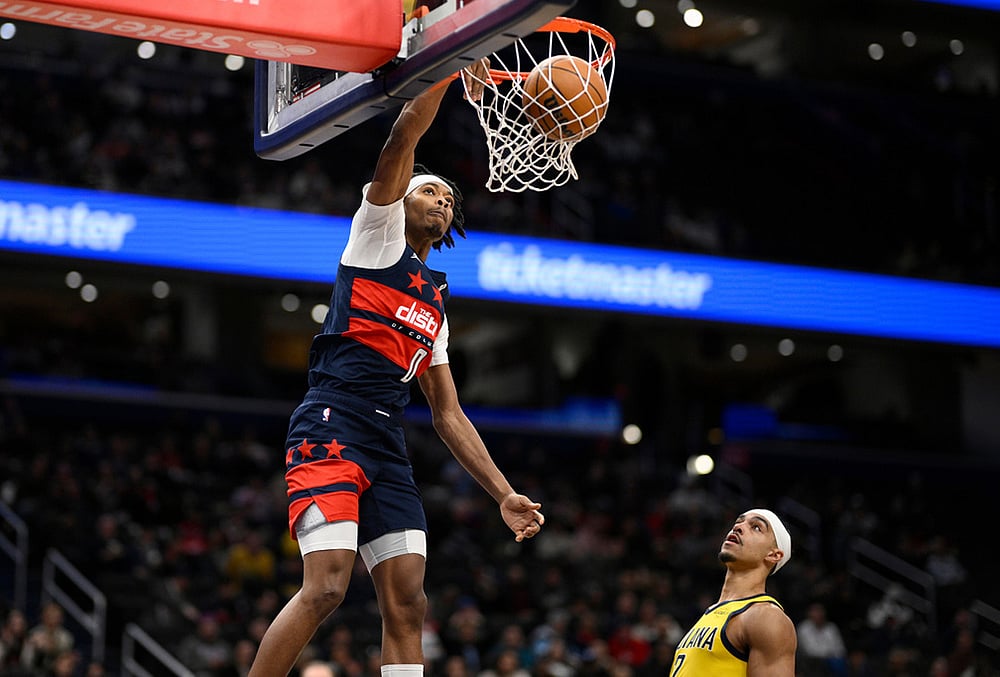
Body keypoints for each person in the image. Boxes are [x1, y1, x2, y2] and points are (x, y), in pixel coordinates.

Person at [247, 61, 545, 677]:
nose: (441, 199)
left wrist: (503, 494)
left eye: (449, 197)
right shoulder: (376, 237)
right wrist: (454, 57)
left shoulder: (434, 301)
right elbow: (404, 135)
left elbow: (449, 414)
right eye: (431, 190)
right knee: (327, 587)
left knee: (408, 601)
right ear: (403, 198)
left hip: (386, 441)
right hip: (332, 423)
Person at [672, 508, 797, 676]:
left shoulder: (767, 618)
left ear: (774, 555)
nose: (738, 527)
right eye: (739, 521)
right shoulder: (712, 613)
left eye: (756, 527)